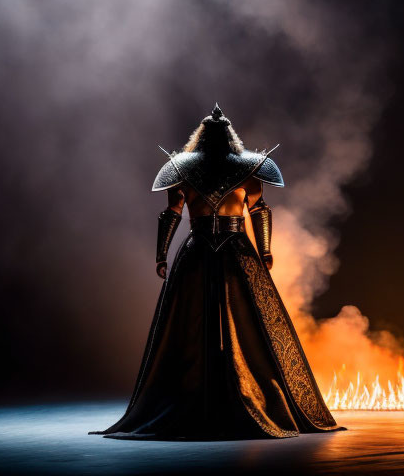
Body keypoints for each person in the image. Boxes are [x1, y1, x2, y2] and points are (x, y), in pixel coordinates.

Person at [93, 105, 339, 439]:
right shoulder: (244, 167)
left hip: (209, 250)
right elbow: (252, 209)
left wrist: (163, 254)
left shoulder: (183, 167)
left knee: (241, 324)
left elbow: (175, 214)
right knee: (197, 324)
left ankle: (234, 392)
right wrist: (264, 250)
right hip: (230, 250)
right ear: (229, 136)